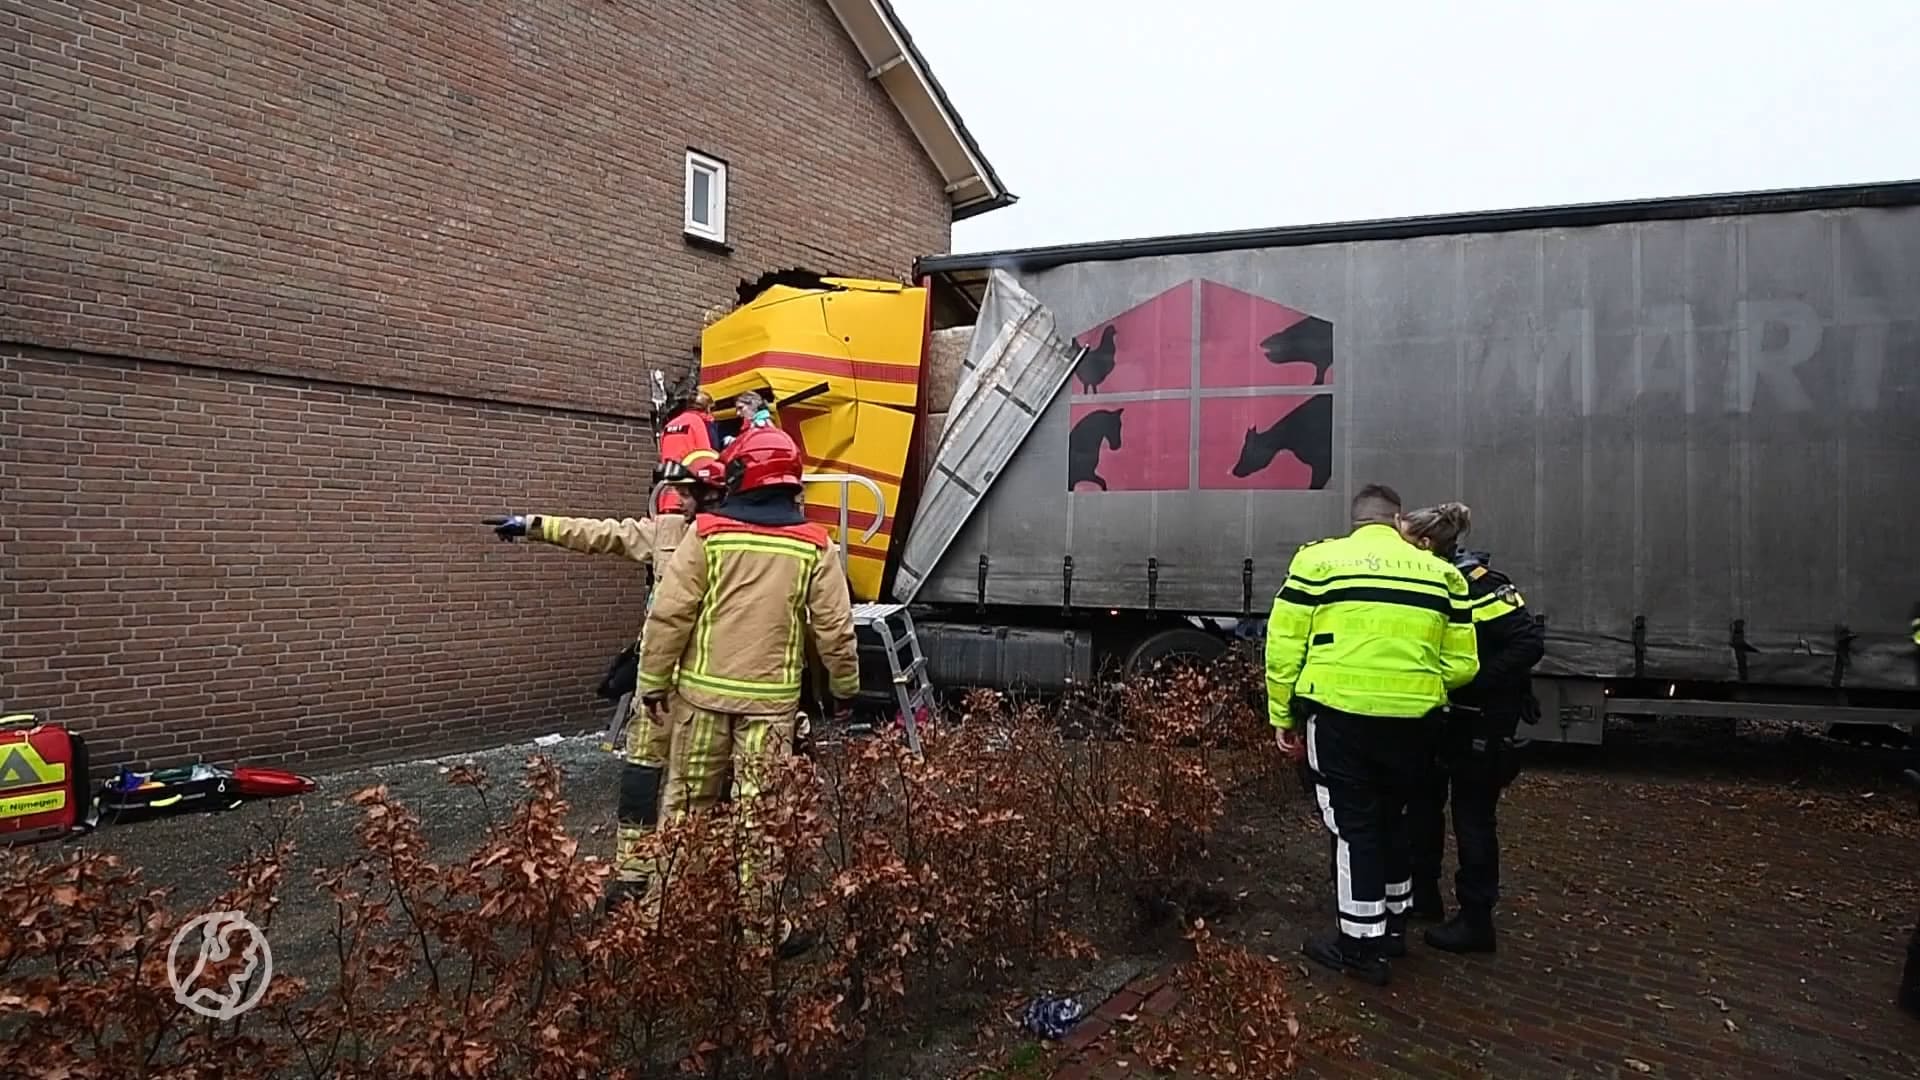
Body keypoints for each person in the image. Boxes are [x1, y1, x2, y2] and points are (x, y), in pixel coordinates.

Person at [637, 423, 860, 954]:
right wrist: (845, 688)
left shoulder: (708, 533)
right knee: (760, 820)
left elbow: (670, 614)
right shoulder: (814, 545)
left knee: (684, 811)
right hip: (769, 707)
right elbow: (835, 628)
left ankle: (661, 922)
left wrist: (652, 682)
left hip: (699, 702)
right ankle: (761, 930)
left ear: (741, 475)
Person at [483, 455, 727, 912]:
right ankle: (634, 874)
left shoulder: (740, 542)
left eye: (691, 493)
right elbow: (602, 534)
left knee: (697, 791)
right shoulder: (667, 532)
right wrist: (533, 526)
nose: (683, 501)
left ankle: (686, 885)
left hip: (709, 686)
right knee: (640, 776)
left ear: (717, 493)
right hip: (659, 683)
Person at [1266, 483, 1480, 985]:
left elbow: (1282, 648)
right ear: (1396, 518)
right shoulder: (1444, 575)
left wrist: (1283, 715)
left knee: (1353, 829)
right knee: (1394, 820)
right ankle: (1393, 928)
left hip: (1340, 720)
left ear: (1357, 520)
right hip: (1415, 725)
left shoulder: (1318, 564)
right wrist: (1416, 684)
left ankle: (1360, 947)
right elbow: (1464, 664)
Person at [1399, 503, 1545, 954]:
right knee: (1423, 806)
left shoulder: (1480, 584)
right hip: (1442, 718)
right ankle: (1423, 895)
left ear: (1425, 543)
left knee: (1473, 818)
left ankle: (1477, 920)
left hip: (1480, 720)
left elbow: (1527, 644)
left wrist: (1474, 683)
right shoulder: (1427, 581)